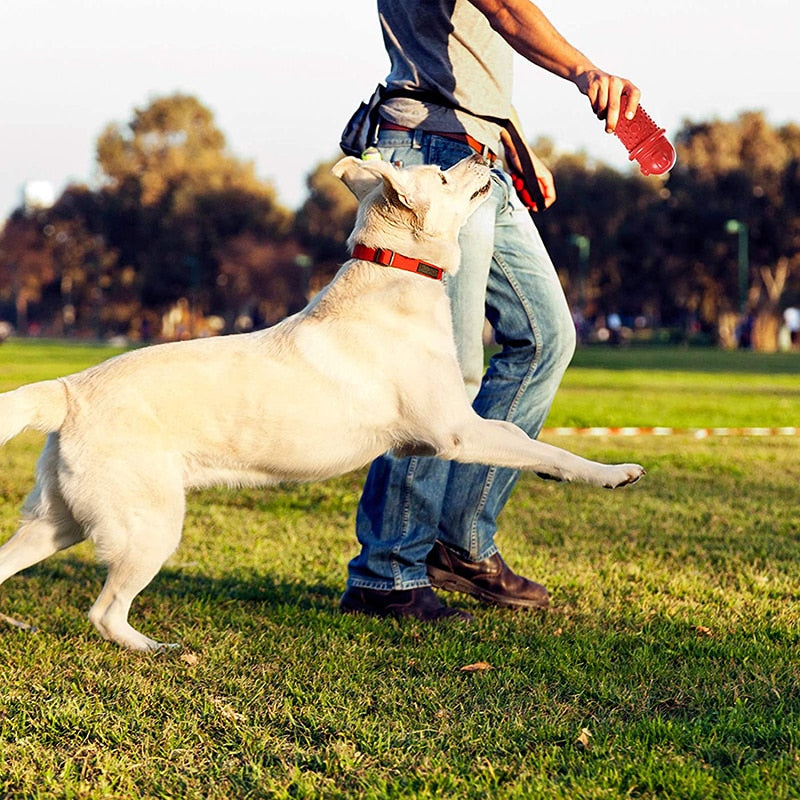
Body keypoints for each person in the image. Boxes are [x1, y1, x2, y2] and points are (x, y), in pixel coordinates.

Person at [339, 0, 641, 622]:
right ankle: (388, 572)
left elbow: (467, 54)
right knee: (442, 374)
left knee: (545, 337)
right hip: (432, 153)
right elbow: (503, 7)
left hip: (478, 153)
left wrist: (511, 142)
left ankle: (460, 543)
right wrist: (583, 71)